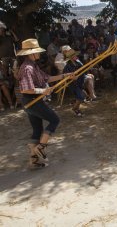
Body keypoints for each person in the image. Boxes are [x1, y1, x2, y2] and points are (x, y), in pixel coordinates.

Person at [17, 39, 74, 169]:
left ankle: (33, 161)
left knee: (37, 130)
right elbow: (26, 89)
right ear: (31, 54)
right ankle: (41, 148)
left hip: (32, 101)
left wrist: (65, 76)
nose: (39, 54)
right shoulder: (27, 68)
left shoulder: (33, 65)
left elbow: (47, 78)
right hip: (32, 101)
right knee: (55, 120)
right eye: (36, 52)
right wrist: (43, 90)